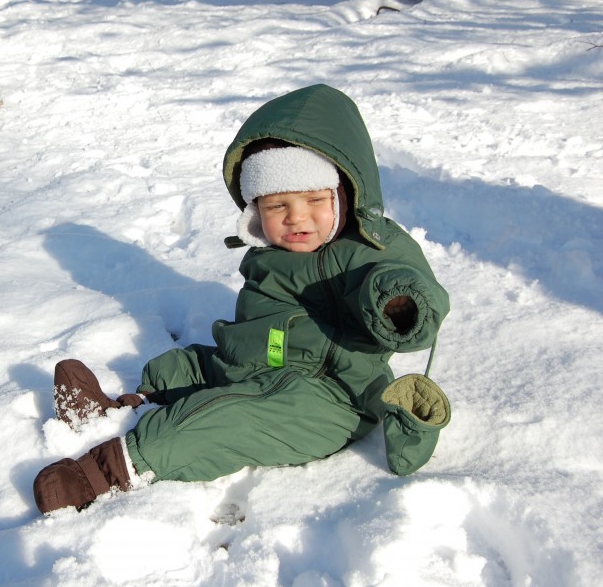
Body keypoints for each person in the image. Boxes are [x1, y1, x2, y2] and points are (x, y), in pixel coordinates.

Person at [33, 84, 450, 514]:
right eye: (276, 205)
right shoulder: (269, 253)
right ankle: (120, 412)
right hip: (257, 364)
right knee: (179, 367)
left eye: (314, 199)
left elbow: (412, 290)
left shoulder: (369, 250)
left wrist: (399, 303)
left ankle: (101, 472)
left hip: (325, 396)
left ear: (344, 193)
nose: (296, 217)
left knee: (221, 420)